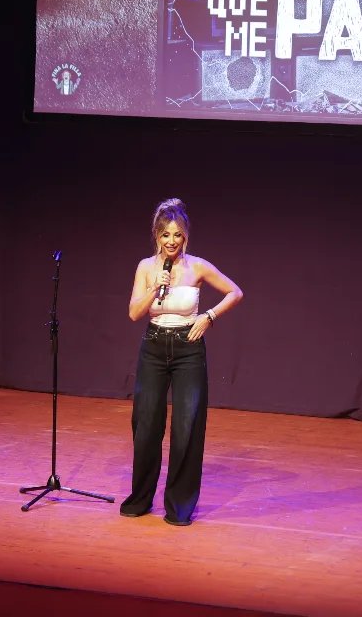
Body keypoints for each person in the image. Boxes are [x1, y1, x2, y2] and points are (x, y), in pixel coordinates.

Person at [119, 198, 243, 526]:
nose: (171, 241)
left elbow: (235, 292)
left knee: (187, 426)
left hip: (188, 349)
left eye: (177, 234)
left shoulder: (197, 266)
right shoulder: (146, 267)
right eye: (165, 235)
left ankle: (179, 506)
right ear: (156, 236)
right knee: (146, 424)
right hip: (154, 347)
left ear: (185, 235)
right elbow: (134, 313)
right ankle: (141, 498)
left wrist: (209, 316)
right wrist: (154, 289)